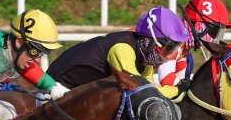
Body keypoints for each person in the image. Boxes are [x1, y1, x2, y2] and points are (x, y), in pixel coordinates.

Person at [46, 6, 192, 98]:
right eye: (168, 48)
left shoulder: (144, 58)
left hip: (77, 93)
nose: (171, 55)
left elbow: (152, 90)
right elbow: (141, 92)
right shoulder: (122, 50)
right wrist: (176, 90)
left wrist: (175, 90)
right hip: (55, 90)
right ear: (150, 42)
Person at [155, 0, 231, 94]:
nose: (215, 38)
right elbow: (167, 81)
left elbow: (180, 80)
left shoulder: (183, 46)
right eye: (214, 32)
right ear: (199, 26)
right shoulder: (172, 40)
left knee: (189, 61)